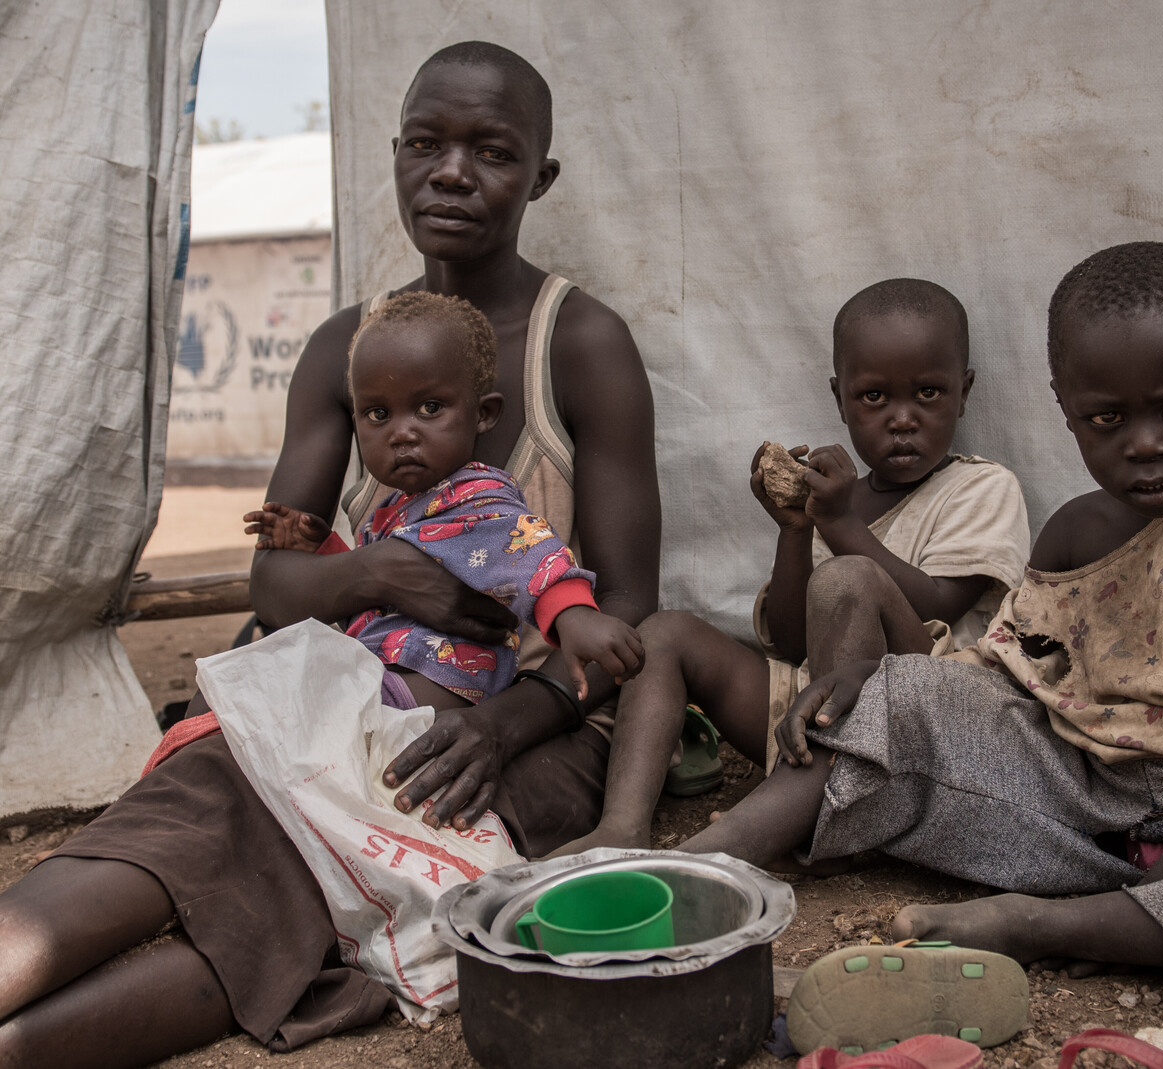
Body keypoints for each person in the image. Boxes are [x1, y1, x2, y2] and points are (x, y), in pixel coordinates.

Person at [0, 41, 659, 1068]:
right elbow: (276, 578)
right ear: (393, 156)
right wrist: (378, 575)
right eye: (426, 144)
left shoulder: (581, 343)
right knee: (199, 803)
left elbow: (628, 606)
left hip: (527, 730)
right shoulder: (346, 348)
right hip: (347, 694)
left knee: (322, 882)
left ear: (542, 177)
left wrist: (502, 724)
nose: (451, 172)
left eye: (491, 151)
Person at [682, 242, 1163, 1024]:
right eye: (1108, 419)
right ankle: (692, 867)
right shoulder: (1075, 532)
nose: (1147, 440)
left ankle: (1044, 924)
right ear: (1067, 412)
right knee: (901, 696)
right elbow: (1001, 677)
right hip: (1082, 792)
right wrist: (874, 684)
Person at [550, 278, 1029, 856]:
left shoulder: (982, 486)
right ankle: (621, 828)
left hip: (918, 729)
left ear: (964, 391)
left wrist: (842, 524)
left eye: (928, 393)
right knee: (664, 632)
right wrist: (796, 530)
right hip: (805, 722)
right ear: (840, 398)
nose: (903, 419)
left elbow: (939, 604)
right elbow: (795, 642)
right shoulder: (837, 500)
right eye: (874, 398)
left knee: (848, 579)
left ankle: (816, 817)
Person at [243, 290, 643, 711]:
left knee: (262, 702)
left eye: (429, 408)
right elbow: (370, 603)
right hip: (390, 674)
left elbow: (531, 552)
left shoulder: (477, 496)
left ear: (483, 413)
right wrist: (321, 549)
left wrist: (574, 616)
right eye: (378, 414)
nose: (401, 433)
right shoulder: (391, 511)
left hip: (437, 683)